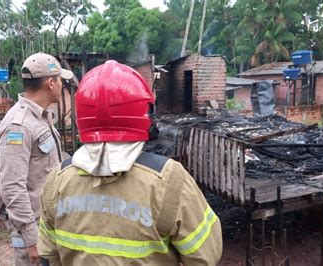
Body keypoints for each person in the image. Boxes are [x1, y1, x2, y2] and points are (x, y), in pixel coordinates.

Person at [37, 60, 223, 265]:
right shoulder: (169, 180)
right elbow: (204, 257)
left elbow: (48, 256)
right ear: (144, 114)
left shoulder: (57, 181)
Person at [0, 52, 73, 265]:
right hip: (34, 231)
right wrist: (32, 241)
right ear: (50, 83)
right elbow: (12, 187)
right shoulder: (18, 125)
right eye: (60, 80)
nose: (62, 85)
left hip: (48, 223)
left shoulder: (40, 117)